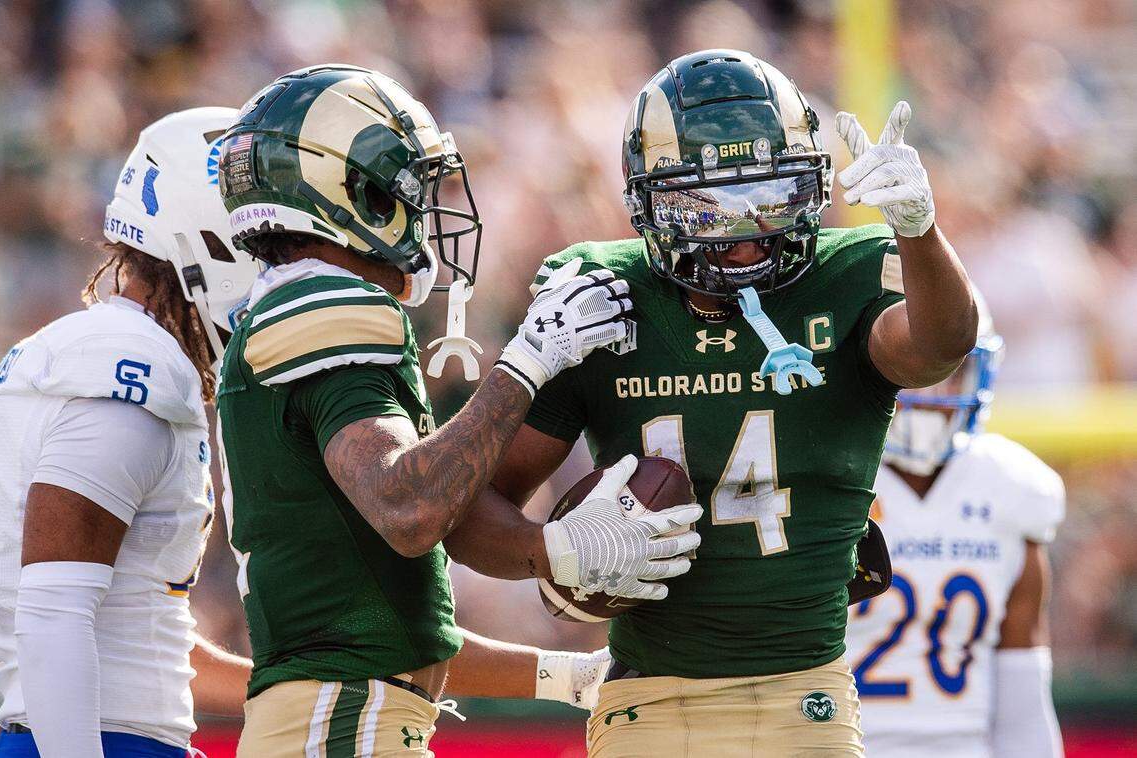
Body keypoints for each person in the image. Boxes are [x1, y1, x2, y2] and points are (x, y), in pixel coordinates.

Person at [455, 49, 979, 757]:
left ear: (813, 190)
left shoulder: (851, 273)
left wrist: (919, 230)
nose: (743, 236)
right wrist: (546, 549)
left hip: (809, 696)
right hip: (646, 699)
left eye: (770, 198)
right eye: (703, 206)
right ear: (646, 203)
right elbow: (473, 507)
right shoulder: (602, 297)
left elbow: (940, 345)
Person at [215, 64, 702, 756]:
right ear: (349, 193)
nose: (427, 210)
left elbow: (391, 630)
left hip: (342, 715)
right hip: (340, 723)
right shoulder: (326, 302)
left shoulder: (290, 308)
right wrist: (530, 360)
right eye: (410, 188)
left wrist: (575, 675)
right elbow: (409, 510)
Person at [0, 108, 261, 757]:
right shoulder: (128, 372)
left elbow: (138, 634)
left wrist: (286, 692)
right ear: (214, 243)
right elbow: (55, 615)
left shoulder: (110, 351)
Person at [846, 296, 1065, 758]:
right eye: (910, 373)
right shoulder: (832, 477)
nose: (928, 395)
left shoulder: (1010, 487)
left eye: (947, 371)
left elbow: (1023, 704)